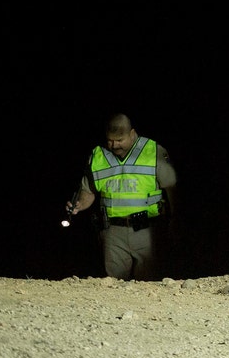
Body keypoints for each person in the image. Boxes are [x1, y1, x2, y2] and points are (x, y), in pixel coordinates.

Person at [65, 113, 178, 280]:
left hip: (147, 231)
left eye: (119, 140)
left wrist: (175, 219)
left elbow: (172, 188)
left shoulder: (153, 151)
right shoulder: (98, 156)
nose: (114, 145)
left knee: (148, 282)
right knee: (114, 284)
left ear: (132, 134)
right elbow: (89, 190)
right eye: (110, 140)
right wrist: (79, 204)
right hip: (113, 232)